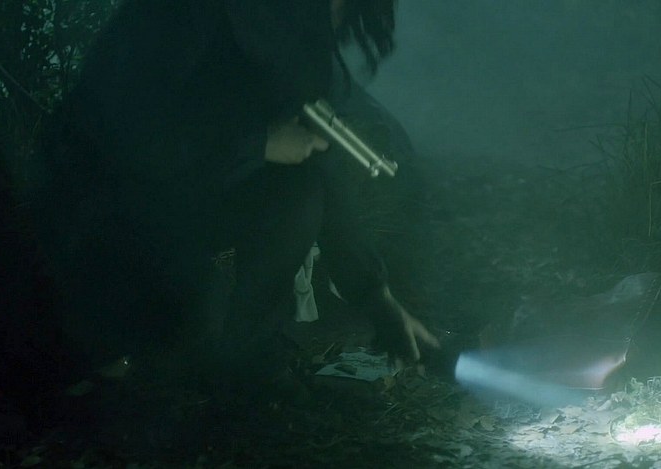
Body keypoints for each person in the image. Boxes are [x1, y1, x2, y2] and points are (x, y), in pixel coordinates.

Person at [33, 0, 438, 398]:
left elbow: (323, 176)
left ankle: (246, 360)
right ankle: (113, 345)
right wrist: (258, 143)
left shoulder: (290, 43)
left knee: (298, 190)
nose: (329, 16)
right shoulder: (190, 14)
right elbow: (127, 133)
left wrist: (376, 298)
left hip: (187, 195)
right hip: (101, 205)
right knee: (168, 336)